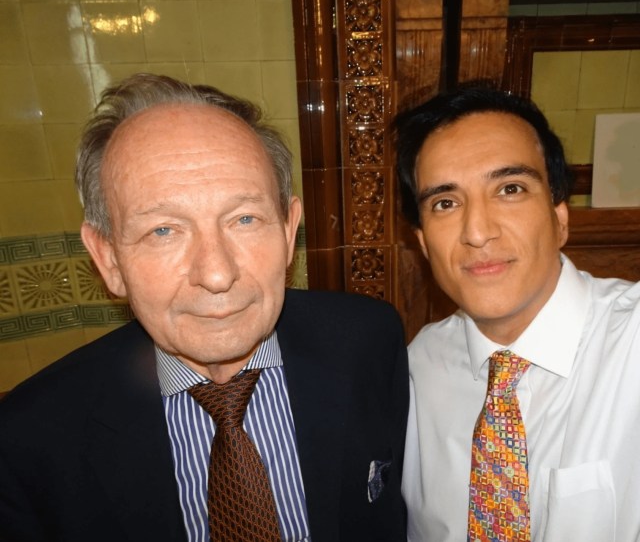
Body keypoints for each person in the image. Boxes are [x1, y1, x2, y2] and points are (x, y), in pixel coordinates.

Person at [0, 73, 409, 542]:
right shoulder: (30, 440)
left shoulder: (370, 340)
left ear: (288, 230)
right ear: (108, 259)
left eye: (245, 219)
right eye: (163, 231)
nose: (217, 274)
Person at [395, 83, 640, 542]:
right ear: (424, 244)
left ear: (560, 217)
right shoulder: (414, 369)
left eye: (510, 189)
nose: (477, 231)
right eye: (445, 203)